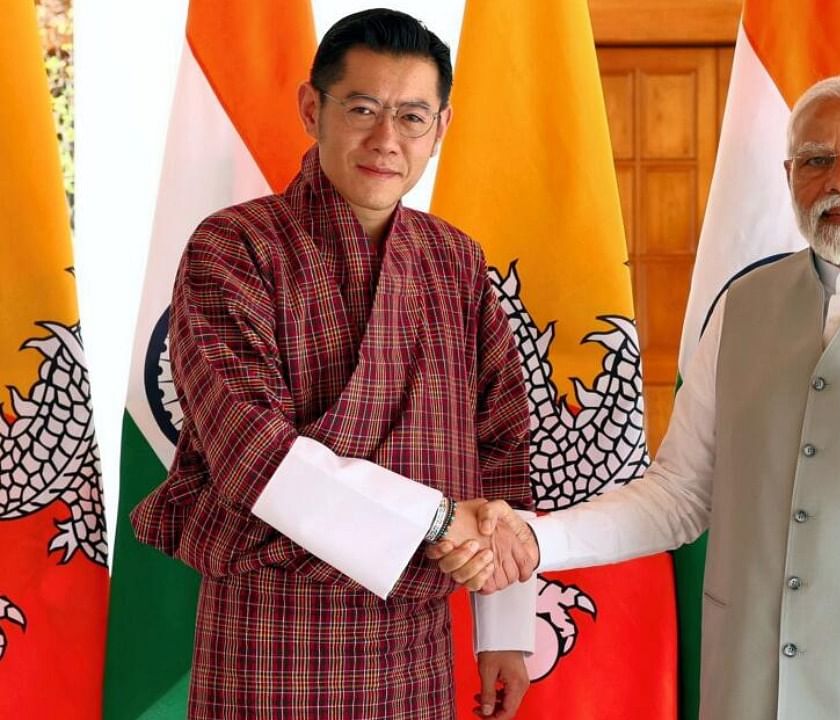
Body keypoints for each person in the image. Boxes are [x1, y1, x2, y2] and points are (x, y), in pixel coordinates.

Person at [440, 74, 840, 719]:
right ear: (788, 177)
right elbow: (680, 495)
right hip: (750, 695)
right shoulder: (741, 307)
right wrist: (534, 541)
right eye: (816, 160)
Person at [131, 9, 540, 720]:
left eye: (412, 117)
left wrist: (502, 626)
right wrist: (438, 523)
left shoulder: (455, 260)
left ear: (441, 129)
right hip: (270, 636)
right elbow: (250, 452)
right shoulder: (233, 248)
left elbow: (500, 445)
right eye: (362, 108)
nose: (386, 140)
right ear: (311, 109)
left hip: (415, 643)